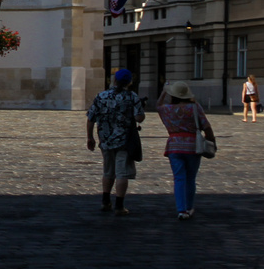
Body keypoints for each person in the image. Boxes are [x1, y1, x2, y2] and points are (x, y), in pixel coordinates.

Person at [86, 68, 145, 216]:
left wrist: (90, 137)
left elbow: (91, 117)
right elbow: (139, 118)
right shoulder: (132, 97)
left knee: (108, 171)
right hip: (124, 140)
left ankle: (105, 201)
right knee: (122, 173)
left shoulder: (102, 96)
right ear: (129, 82)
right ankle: (119, 205)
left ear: (114, 80)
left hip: (105, 140)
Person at [157, 81, 216, 220]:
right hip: (192, 146)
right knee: (190, 178)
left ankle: (181, 210)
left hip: (174, 146)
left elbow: (157, 105)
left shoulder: (166, 109)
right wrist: (212, 141)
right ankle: (189, 207)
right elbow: (206, 126)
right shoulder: (194, 107)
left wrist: (164, 91)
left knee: (179, 178)